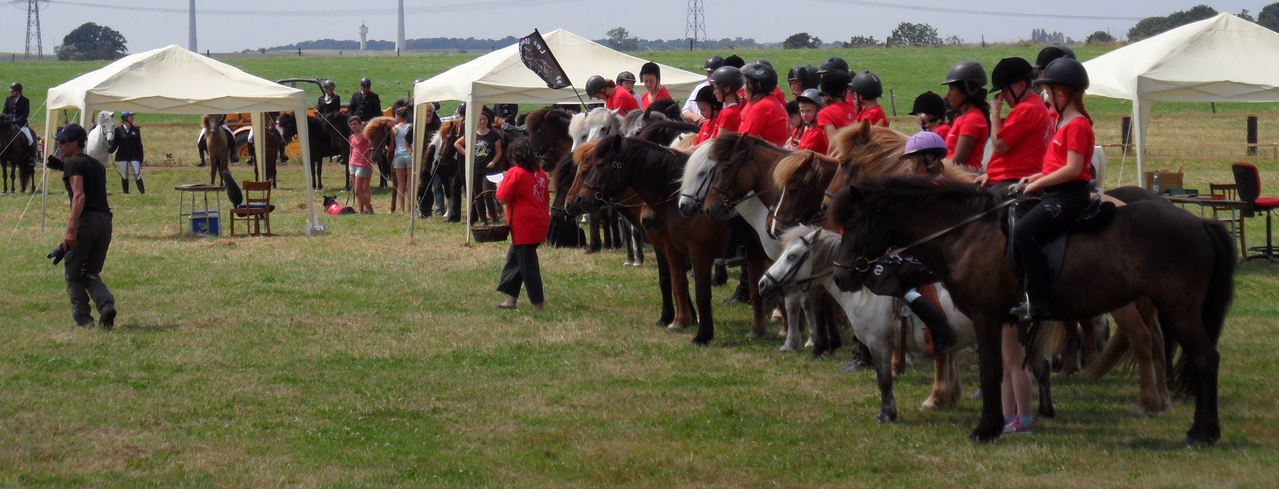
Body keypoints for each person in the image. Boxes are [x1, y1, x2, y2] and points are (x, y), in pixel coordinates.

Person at [1011, 57, 1094, 320]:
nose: (1046, 98)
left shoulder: (1078, 125)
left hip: (1070, 194)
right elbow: (1057, 165)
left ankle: (1039, 303)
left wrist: (1039, 183)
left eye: (1047, 93)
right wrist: (1034, 177)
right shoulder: (1062, 123)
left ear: (1060, 94)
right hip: (1056, 190)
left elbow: (1073, 169)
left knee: (1025, 231)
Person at [52, 123, 117, 329]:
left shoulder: (72, 164)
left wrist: (71, 230)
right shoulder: (97, 165)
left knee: (73, 272)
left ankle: (84, 322)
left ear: (74, 143)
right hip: (105, 221)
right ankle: (106, 304)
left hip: (86, 221)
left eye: (63, 142)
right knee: (90, 271)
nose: (60, 146)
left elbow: (79, 195)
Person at [978, 57, 1052, 191]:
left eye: (1005, 91)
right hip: (1009, 177)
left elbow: (998, 147)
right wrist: (991, 173)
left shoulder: (1025, 109)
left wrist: (995, 113)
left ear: (1022, 86)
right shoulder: (1036, 105)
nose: (1002, 96)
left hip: (1015, 178)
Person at [494, 138, 550, 312]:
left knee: (528, 266)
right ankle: (511, 301)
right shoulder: (540, 173)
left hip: (523, 225)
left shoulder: (515, 172)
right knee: (515, 261)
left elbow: (502, 198)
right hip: (539, 221)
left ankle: (538, 305)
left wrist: (498, 185)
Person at [453, 107, 503, 225]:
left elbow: (499, 152)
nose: (482, 121)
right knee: (477, 195)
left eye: (484, 119)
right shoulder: (471, 134)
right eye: (479, 119)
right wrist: (468, 154)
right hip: (475, 169)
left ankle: (495, 218)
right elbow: (457, 144)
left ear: (488, 120)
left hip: (489, 170)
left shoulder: (493, 135)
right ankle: (483, 220)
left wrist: (494, 162)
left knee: (487, 194)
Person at [940, 60, 990, 170]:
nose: (948, 94)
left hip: (964, 178)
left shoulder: (972, 119)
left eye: (952, 89)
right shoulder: (960, 118)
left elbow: (958, 162)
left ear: (967, 90)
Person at [738, 63, 789, 146]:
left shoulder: (761, 107)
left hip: (762, 157)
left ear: (757, 86)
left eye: (746, 83)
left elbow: (744, 141)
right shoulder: (770, 101)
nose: (743, 87)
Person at [107, 111, 145, 194]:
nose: (132, 118)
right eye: (130, 116)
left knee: (137, 174)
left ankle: (142, 192)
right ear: (125, 118)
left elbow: (139, 144)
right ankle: (126, 192)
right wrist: (110, 150)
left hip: (134, 155)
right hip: (122, 155)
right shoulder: (118, 130)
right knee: (124, 175)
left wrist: (141, 157)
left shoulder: (136, 130)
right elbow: (116, 143)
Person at [816, 70, 857, 143]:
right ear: (842, 91)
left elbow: (834, 143)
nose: (849, 91)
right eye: (848, 89)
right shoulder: (850, 108)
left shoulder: (824, 114)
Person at [682, 54, 723, 124]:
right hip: (696, 126)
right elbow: (685, 111)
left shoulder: (724, 91)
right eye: (709, 72)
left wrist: (709, 122)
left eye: (713, 72)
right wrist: (694, 116)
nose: (710, 75)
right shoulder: (699, 88)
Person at [4, 82, 38, 164]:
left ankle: (33, 157)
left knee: (30, 139)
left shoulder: (25, 101)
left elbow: (25, 114)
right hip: (9, 124)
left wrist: (16, 121)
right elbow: (5, 111)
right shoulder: (8, 99)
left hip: (21, 124)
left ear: (18, 92)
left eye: (13, 91)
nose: (11, 93)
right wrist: (7, 120)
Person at [707, 66, 744, 140]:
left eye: (716, 89)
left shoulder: (728, 114)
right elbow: (712, 138)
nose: (714, 93)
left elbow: (718, 141)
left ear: (727, 89)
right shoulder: (726, 111)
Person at [347, 117, 375, 214]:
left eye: (355, 124)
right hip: (353, 164)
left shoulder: (365, 135)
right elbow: (351, 152)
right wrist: (349, 164)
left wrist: (370, 154)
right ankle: (361, 211)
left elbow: (373, 146)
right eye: (351, 124)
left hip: (362, 164)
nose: (354, 126)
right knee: (358, 191)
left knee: (358, 190)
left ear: (360, 124)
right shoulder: (351, 137)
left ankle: (370, 210)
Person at [791, 89, 828, 154]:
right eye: (802, 111)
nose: (804, 115)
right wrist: (800, 144)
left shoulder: (817, 132)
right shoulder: (810, 128)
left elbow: (802, 155)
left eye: (808, 111)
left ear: (819, 111)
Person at [391, 107, 413, 213]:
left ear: (398, 116)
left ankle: (402, 209)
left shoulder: (394, 129)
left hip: (398, 155)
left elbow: (391, 145)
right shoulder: (411, 127)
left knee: (400, 183)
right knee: (410, 183)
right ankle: (410, 208)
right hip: (409, 154)